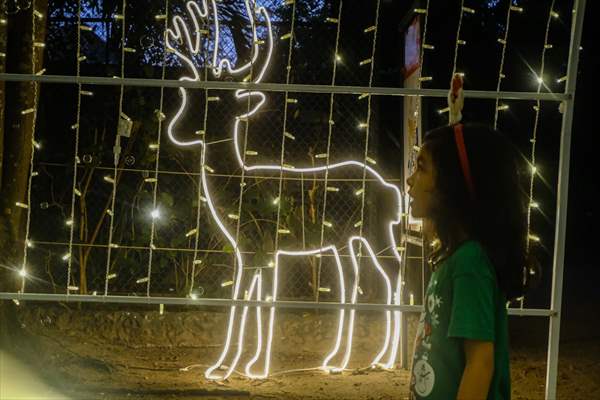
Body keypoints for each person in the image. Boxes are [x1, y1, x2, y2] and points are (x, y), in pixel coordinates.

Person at [406, 123, 538, 400]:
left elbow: (480, 363)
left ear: (451, 185)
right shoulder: (456, 256)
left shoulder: (470, 263)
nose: (410, 180)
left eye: (422, 167)